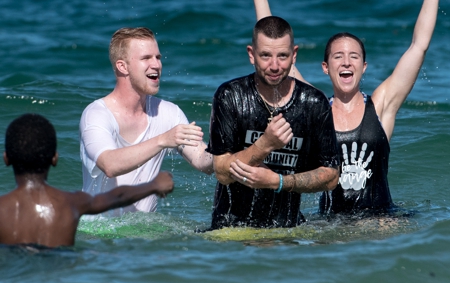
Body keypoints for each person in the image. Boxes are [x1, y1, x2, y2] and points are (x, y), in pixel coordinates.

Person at [246, 0, 450, 215]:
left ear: (364, 67)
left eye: (354, 56)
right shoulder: (315, 107)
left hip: (380, 220)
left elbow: (418, 46)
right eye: (338, 57)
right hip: (331, 225)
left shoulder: (381, 106)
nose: (346, 62)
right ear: (325, 67)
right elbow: (276, 52)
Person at [207, 15, 340, 229]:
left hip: (287, 231)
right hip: (232, 230)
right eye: (266, 56)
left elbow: (331, 176)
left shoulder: (313, 103)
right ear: (251, 55)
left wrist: (277, 182)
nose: (275, 65)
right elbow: (222, 172)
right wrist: (265, 144)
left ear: (294, 54)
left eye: (283, 56)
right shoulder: (230, 96)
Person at [80, 27, 213, 215]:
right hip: (100, 233)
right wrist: (163, 140)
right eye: (146, 58)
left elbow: (202, 162)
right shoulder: (96, 114)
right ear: (122, 66)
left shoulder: (169, 112)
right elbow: (110, 165)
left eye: (158, 57)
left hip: (144, 235)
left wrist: (229, 146)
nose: (157, 65)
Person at [0, 113, 174, 248]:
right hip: (58, 271)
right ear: (55, 159)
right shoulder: (70, 203)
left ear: (6, 159)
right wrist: (154, 185)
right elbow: (117, 197)